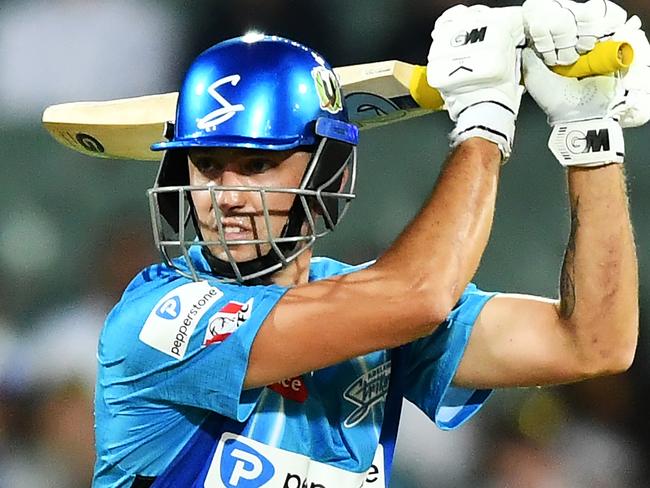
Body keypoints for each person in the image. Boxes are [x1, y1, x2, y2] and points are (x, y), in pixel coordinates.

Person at [91, 2, 649, 487]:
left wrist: (591, 136)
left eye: (256, 165)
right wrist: (483, 123)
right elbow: (418, 298)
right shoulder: (159, 320)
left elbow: (595, 343)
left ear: (327, 174)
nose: (225, 196)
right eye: (208, 165)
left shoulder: (371, 308)